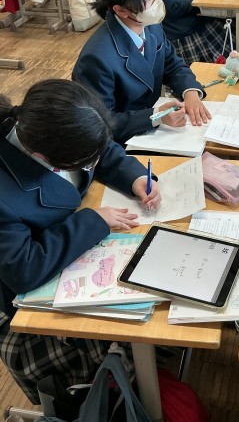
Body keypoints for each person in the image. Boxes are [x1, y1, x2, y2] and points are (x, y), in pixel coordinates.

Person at [0, 79, 159, 403]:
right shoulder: (5, 191)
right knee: (146, 318)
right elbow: (23, 268)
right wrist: (93, 221)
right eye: (82, 163)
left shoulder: (57, 129)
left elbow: (101, 149)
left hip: (74, 251)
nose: (90, 165)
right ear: (45, 158)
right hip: (34, 290)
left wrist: (134, 177)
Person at [72, 0, 210, 146]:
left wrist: (190, 91)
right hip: (125, 143)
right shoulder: (97, 58)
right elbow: (102, 123)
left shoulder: (149, 24)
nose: (158, 0)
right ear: (121, 10)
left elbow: (172, 63)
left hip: (158, 130)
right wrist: (156, 116)